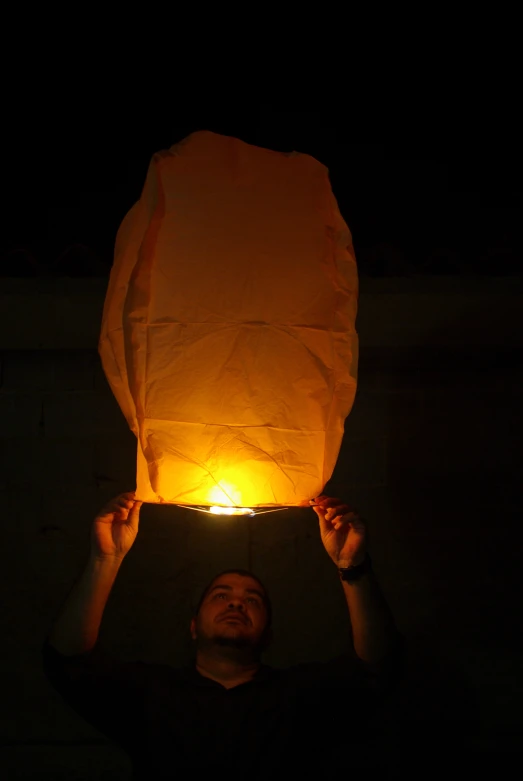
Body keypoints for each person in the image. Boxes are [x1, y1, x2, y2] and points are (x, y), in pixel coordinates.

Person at [42, 492, 404, 776]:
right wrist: (105, 559)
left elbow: (376, 668)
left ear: (269, 634)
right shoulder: (151, 693)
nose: (236, 604)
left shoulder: (300, 696)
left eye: (252, 600)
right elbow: (68, 662)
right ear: (193, 625)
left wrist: (352, 566)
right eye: (221, 596)